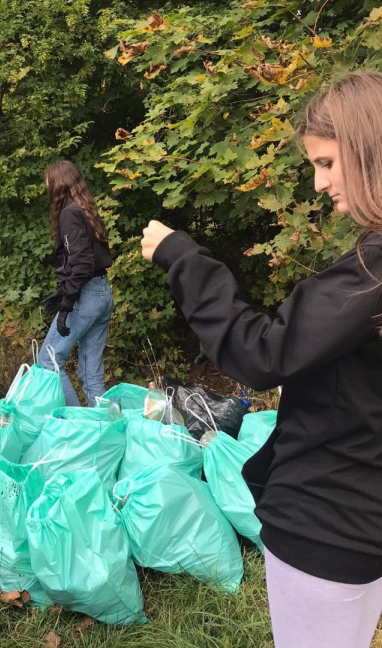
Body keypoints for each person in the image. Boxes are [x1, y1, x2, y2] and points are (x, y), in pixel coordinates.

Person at [141, 70, 382, 648]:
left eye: (327, 163)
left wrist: (181, 258)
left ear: (368, 149)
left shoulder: (373, 272)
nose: (319, 184)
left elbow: (264, 351)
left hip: (328, 519)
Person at [38, 160, 113, 406]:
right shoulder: (86, 209)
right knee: (91, 375)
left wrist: (67, 302)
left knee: (49, 361)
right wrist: (64, 292)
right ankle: (103, 424)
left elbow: (82, 263)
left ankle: (77, 420)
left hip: (86, 296)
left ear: (58, 184)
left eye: (48, 182)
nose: (46, 187)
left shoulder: (69, 213)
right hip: (102, 292)